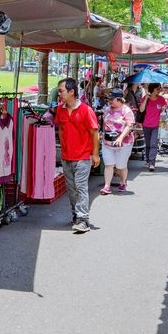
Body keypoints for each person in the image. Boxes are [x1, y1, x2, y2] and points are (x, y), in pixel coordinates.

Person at [55, 78, 101, 233]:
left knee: (81, 187)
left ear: (71, 91)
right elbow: (61, 129)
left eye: (61, 90)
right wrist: (63, 147)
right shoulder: (60, 110)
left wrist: (95, 155)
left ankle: (83, 219)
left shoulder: (86, 110)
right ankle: (76, 215)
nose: (59, 93)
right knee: (71, 188)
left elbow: (95, 133)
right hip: (67, 156)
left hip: (82, 156)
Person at [99, 90, 135, 194]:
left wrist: (120, 138)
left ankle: (123, 182)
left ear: (119, 99)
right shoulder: (107, 109)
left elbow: (129, 126)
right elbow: (105, 123)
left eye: (112, 99)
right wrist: (103, 134)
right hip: (108, 142)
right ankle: (107, 186)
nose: (110, 101)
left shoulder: (126, 111)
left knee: (120, 166)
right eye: (109, 99)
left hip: (124, 143)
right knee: (108, 164)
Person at [138, 83, 168, 171]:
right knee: (148, 144)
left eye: (160, 89)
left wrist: (163, 109)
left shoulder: (161, 99)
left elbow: (164, 110)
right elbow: (141, 110)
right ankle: (148, 160)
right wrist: (146, 99)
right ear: (152, 89)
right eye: (157, 89)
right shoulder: (145, 98)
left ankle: (152, 162)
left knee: (153, 144)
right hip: (146, 124)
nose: (159, 90)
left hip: (156, 125)